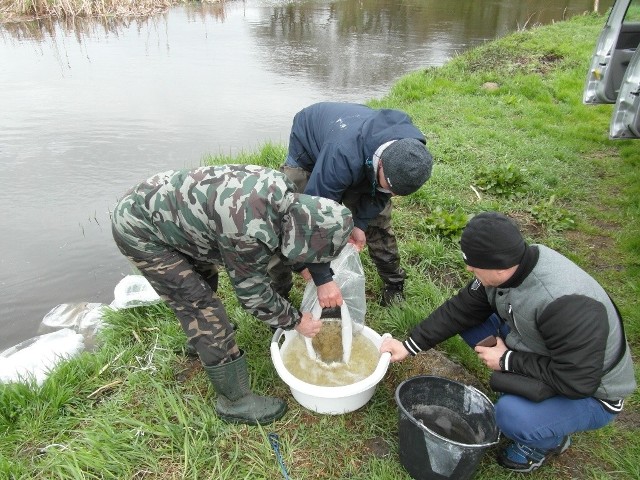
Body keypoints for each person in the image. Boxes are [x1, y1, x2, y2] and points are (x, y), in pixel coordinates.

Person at [380, 211, 636, 473]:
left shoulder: (567, 307)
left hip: (592, 393)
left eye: (474, 265)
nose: (469, 269)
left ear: (499, 266)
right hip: (545, 351)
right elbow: (461, 310)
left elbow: (578, 381)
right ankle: (523, 390)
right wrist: (409, 345)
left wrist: (507, 360)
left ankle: (546, 442)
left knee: (511, 414)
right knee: (471, 322)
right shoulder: (511, 264)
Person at [111, 164, 353, 426]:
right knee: (201, 307)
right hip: (140, 230)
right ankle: (234, 401)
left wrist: (304, 266)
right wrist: (296, 321)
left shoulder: (284, 192)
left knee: (204, 275)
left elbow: (284, 237)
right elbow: (253, 296)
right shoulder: (247, 231)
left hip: (173, 214)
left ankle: (202, 343)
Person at [274, 101, 433, 308]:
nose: (391, 195)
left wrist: (360, 223)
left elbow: (382, 193)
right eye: (389, 187)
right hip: (310, 140)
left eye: (395, 193)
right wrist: (323, 279)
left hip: (362, 151)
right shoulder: (341, 155)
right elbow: (312, 218)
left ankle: (394, 284)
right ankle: (277, 301)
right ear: (381, 164)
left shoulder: (410, 151)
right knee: (290, 218)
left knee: (379, 223)